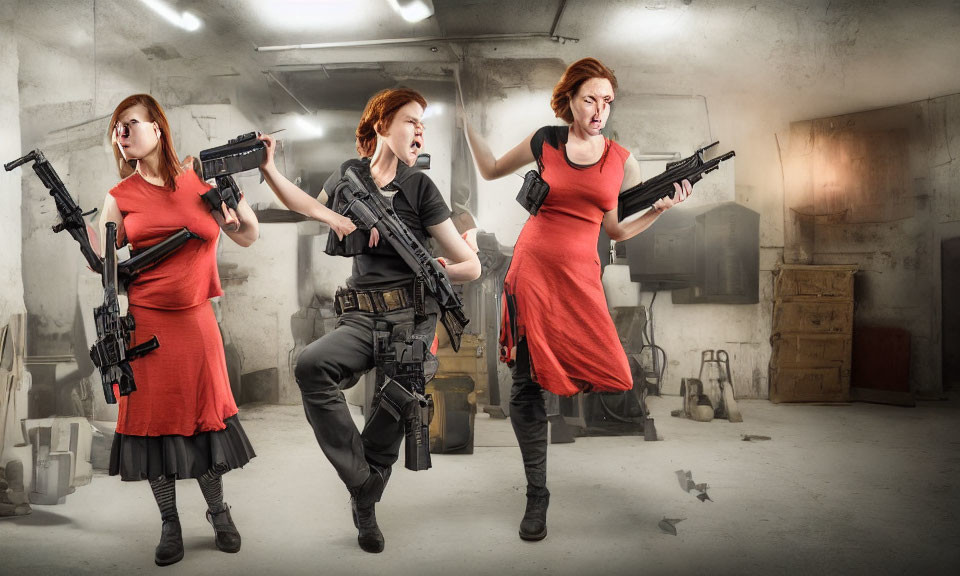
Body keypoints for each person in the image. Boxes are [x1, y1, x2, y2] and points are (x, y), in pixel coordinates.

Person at [463, 57, 692, 541]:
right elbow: (488, 169)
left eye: (607, 101)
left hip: (580, 278)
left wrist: (660, 209)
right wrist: (465, 124)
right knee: (526, 384)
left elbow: (613, 229)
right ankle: (537, 496)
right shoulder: (546, 141)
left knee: (616, 373)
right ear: (569, 98)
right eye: (591, 98)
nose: (599, 109)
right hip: (530, 273)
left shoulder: (620, 159)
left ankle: (552, 410)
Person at [258, 87, 481, 553]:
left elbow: (471, 266)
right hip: (360, 317)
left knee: (392, 411)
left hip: (410, 321)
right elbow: (304, 204)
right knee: (311, 366)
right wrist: (269, 169)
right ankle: (364, 483)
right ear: (381, 125)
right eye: (410, 120)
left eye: (424, 123)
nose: (420, 129)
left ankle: (365, 511)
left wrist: (441, 268)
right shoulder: (347, 177)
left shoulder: (421, 188)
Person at [99, 94, 260, 566]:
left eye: (129, 124)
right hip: (145, 326)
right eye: (115, 130)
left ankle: (218, 511)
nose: (121, 134)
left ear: (158, 128)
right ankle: (169, 522)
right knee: (153, 428)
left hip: (195, 322)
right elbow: (104, 267)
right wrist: (93, 234)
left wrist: (231, 218)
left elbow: (248, 234)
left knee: (203, 420)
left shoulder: (201, 177)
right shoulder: (119, 196)